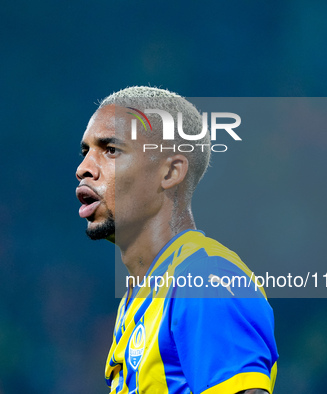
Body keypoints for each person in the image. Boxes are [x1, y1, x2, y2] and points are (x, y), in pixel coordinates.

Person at [75, 86, 278, 393]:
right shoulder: (142, 295)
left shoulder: (203, 280)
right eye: (86, 152)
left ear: (170, 172)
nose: (84, 169)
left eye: (111, 150)